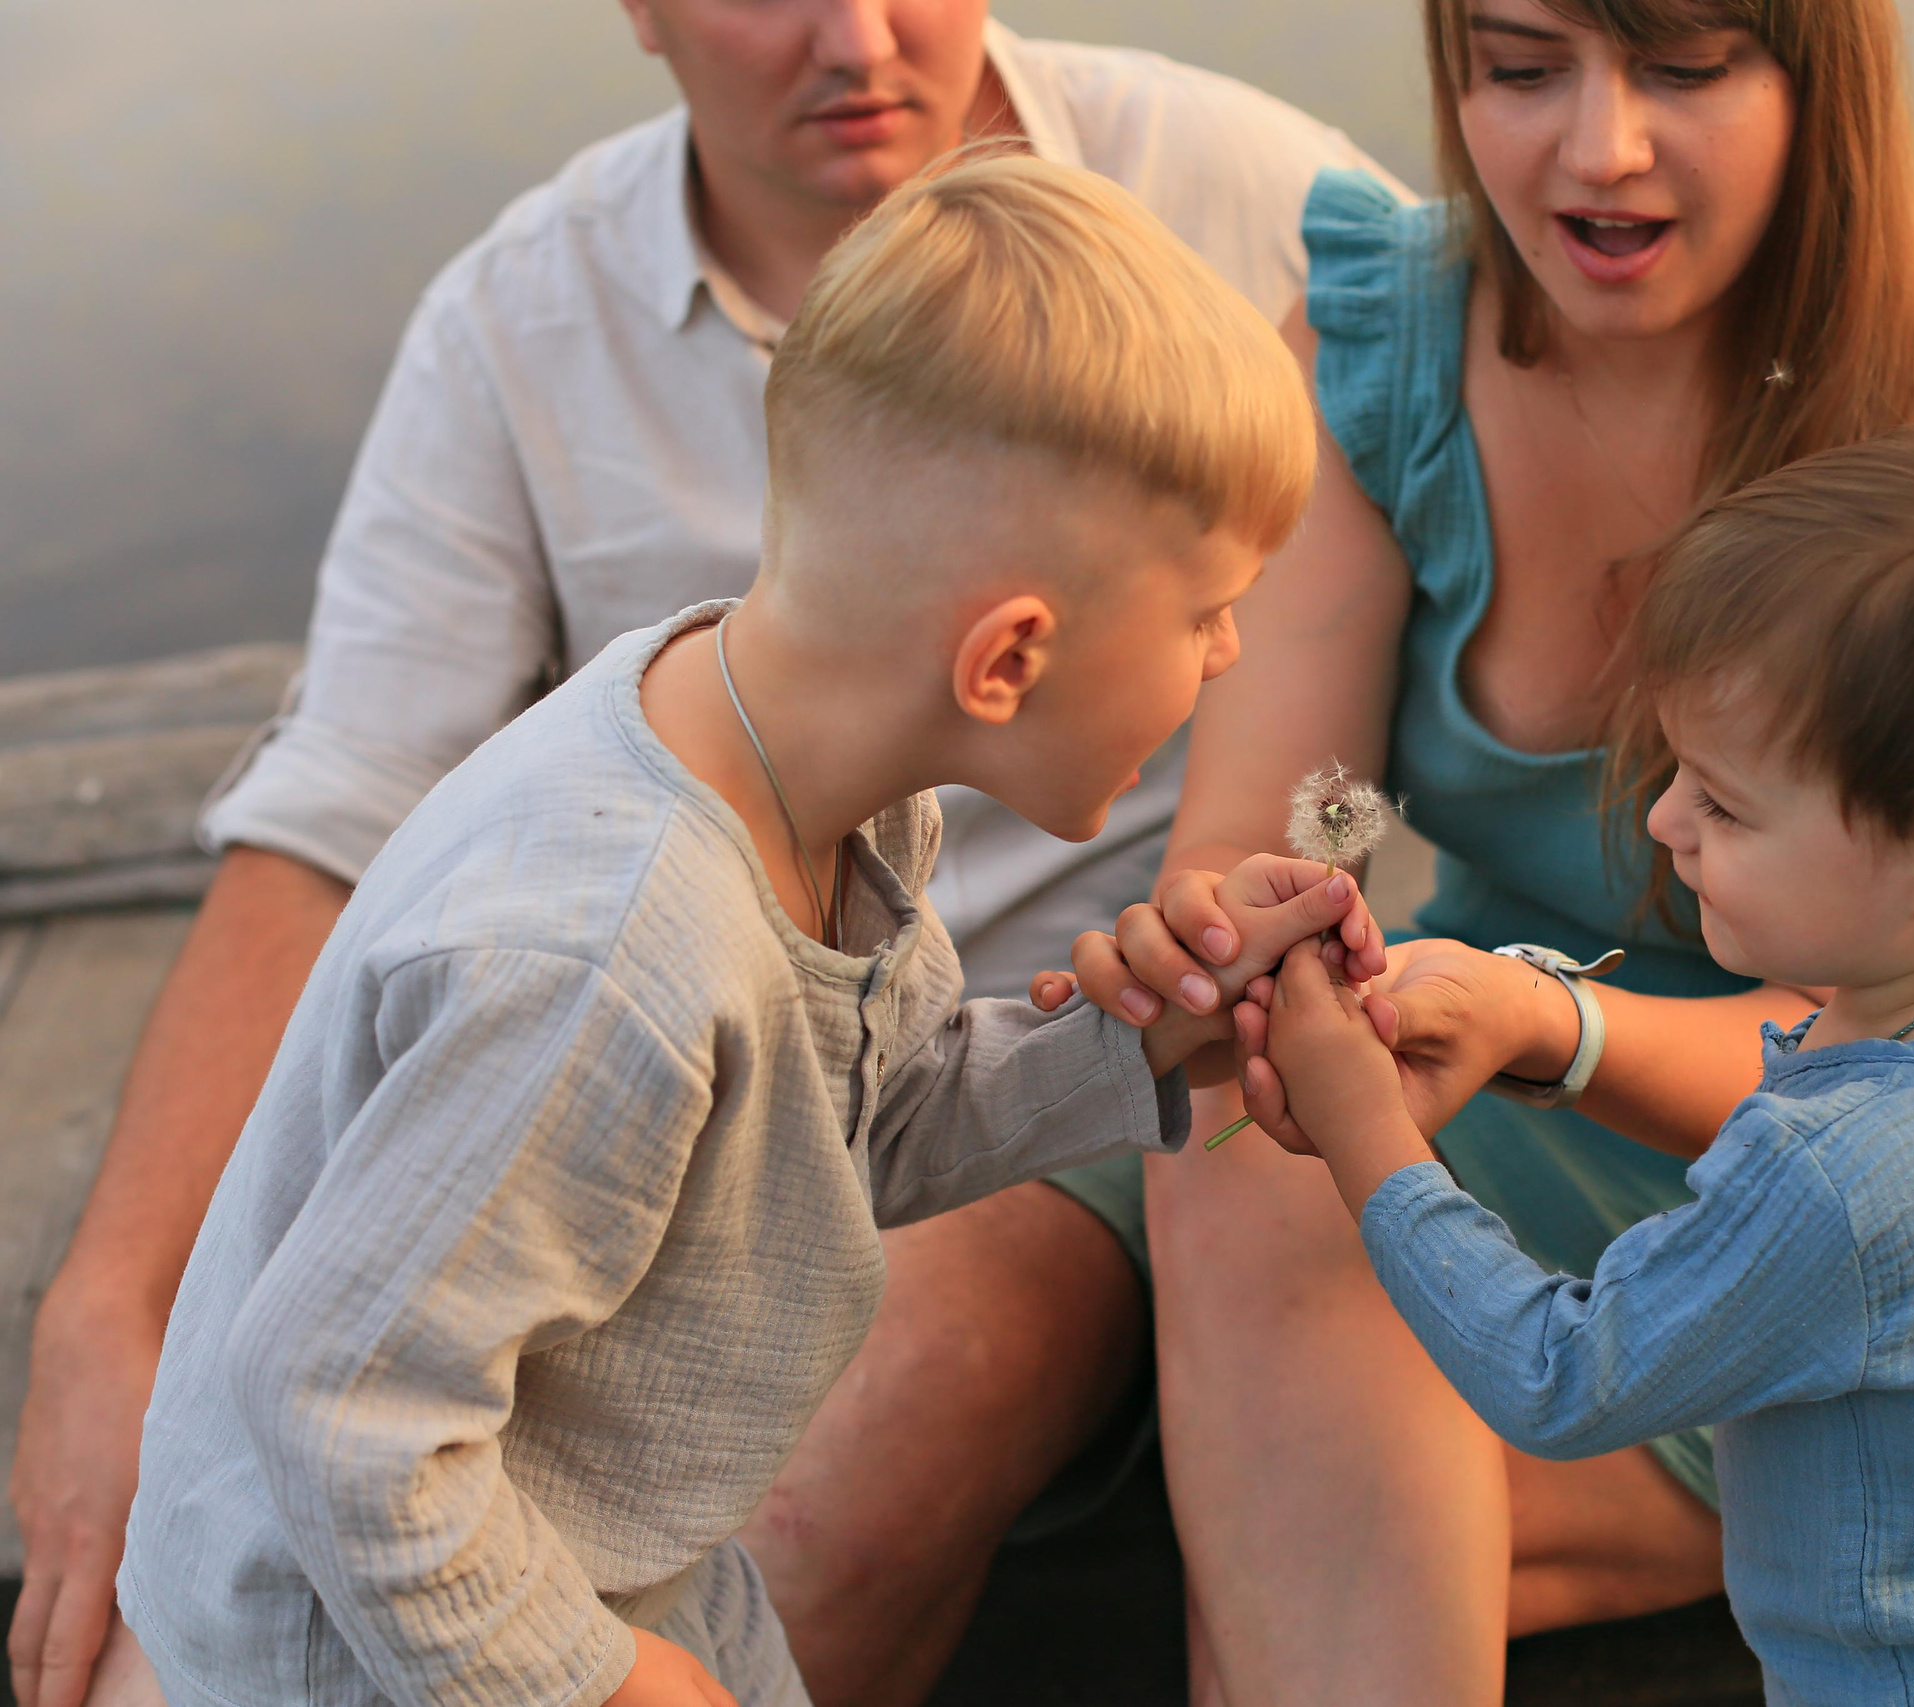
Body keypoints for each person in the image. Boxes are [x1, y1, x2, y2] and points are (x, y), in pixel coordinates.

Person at [9, 7, 1399, 1706]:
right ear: (1007, 661)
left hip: (617, 1559)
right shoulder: (604, 961)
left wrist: (1131, 1053)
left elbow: (842, 1125)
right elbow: (343, 1407)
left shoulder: (808, 761)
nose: (1237, 664)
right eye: (1207, 615)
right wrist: (595, 1680)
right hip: (376, 1659)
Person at [1064, 0, 1914, 1696]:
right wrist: (1270, 906)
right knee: (1240, 1344)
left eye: (1687, 65)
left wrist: (1468, 1062)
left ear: (1818, 79)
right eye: (1519, 63)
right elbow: (1307, 790)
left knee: (1311, 1540)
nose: (1598, 146)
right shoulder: (1380, 339)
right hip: (1557, 1021)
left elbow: (1879, 1090)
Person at [1238, 412, 1914, 1706]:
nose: (1665, 821)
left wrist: (1373, 1145)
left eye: (1725, 802)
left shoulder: (1833, 1186)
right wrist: (1541, 1020)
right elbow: (1832, 1076)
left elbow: (1561, 1377)